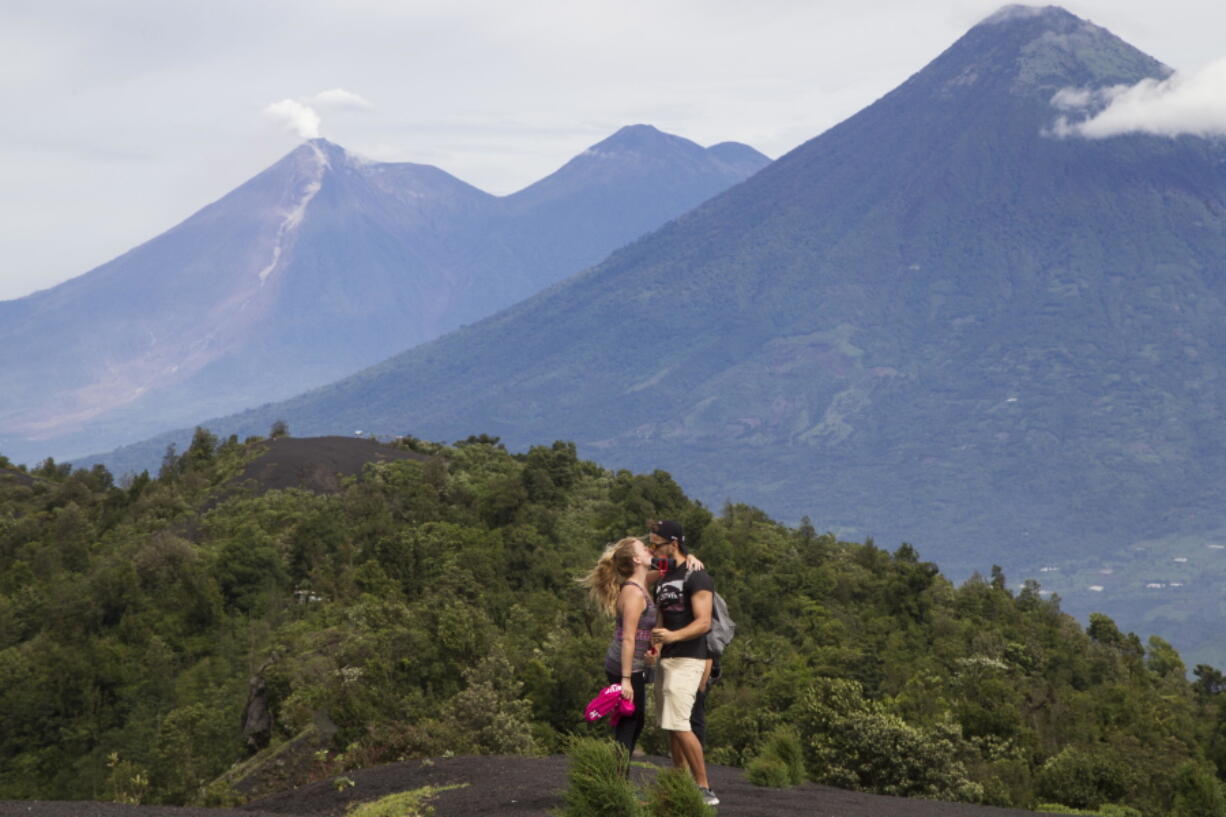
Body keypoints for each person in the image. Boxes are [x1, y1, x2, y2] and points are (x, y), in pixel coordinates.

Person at [648, 520, 719, 807]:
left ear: (673, 543)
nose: (653, 549)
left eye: (657, 544)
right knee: (670, 724)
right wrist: (657, 646)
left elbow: (703, 622)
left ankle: (704, 788)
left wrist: (672, 636)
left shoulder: (697, 576)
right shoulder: (665, 576)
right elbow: (662, 619)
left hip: (689, 658)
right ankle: (679, 783)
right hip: (668, 658)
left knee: (680, 723)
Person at [579, 537, 657, 759]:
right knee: (630, 721)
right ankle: (617, 781)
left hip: (633, 665)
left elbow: (664, 572)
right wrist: (625, 680)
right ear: (636, 559)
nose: (649, 549)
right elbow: (628, 638)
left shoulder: (642, 583)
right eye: (644, 548)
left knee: (635, 719)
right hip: (626, 667)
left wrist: (686, 558)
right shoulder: (633, 593)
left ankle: (617, 776)